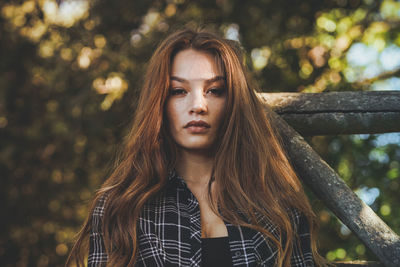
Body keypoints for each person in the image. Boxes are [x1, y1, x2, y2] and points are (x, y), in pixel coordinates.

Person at [66, 27, 326, 267]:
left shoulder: (277, 204)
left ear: (233, 102)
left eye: (214, 90)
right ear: (160, 102)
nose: (198, 105)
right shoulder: (120, 206)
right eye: (179, 91)